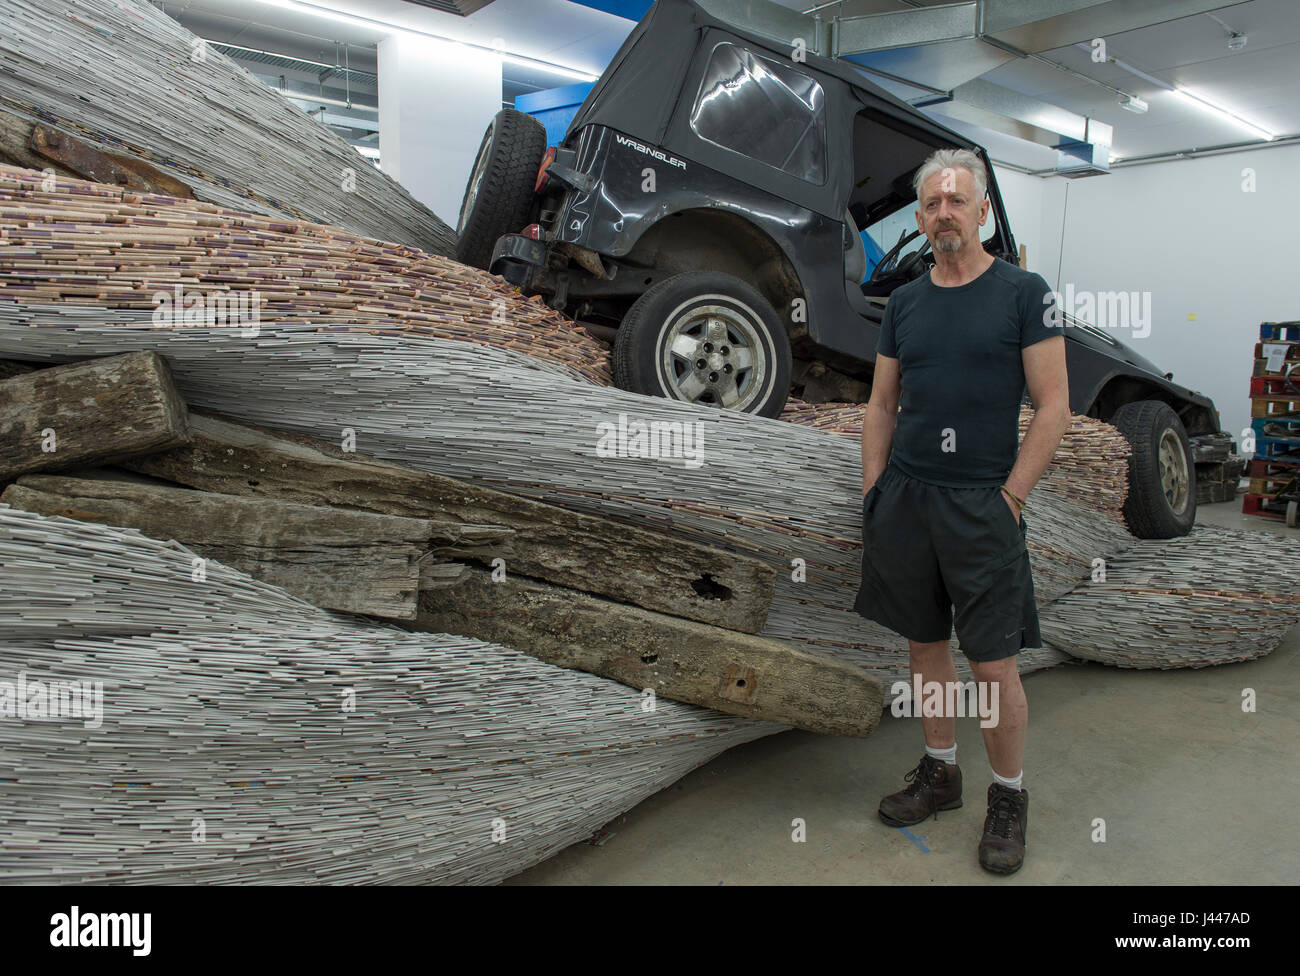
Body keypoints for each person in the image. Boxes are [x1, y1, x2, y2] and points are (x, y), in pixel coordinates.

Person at [854, 147, 1070, 875]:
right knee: (923, 647)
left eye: (957, 201)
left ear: (983, 212)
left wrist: (1010, 498)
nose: (944, 212)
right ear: (920, 217)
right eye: (932, 203)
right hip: (909, 498)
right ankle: (940, 770)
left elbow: (1055, 408)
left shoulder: (1024, 292)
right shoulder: (906, 303)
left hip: (984, 501)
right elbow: (881, 404)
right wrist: (875, 489)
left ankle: (1008, 795)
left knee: (994, 663)